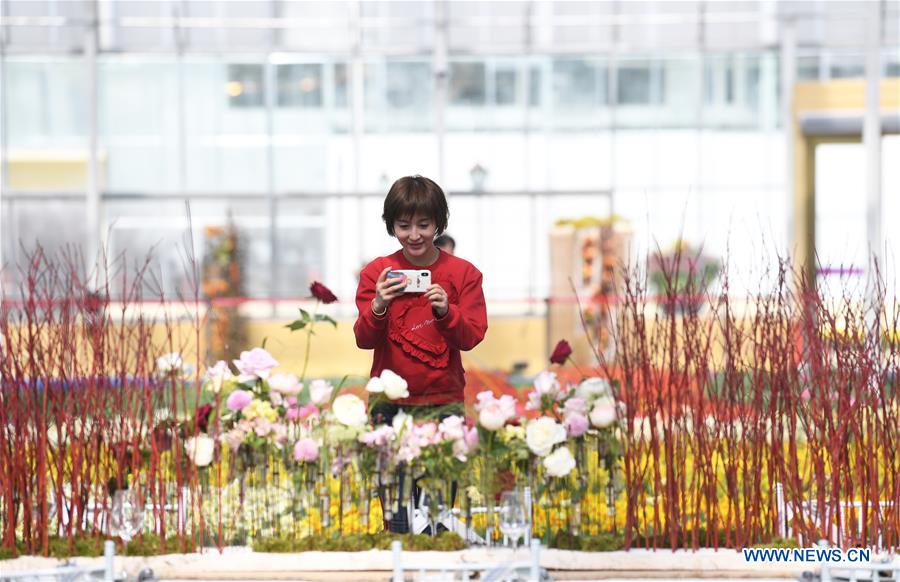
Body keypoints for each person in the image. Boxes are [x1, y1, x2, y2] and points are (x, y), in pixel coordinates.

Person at [354, 175, 487, 532]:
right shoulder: (377, 273)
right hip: (390, 408)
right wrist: (380, 303)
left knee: (439, 521)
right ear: (391, 225)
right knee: (396, 520)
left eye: (424, 225)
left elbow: (472, 335)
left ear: (439, 224)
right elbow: (364, 339)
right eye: (403, 225)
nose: (414, 234)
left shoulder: (463, 274)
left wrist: (447, 312)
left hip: (444, 405)